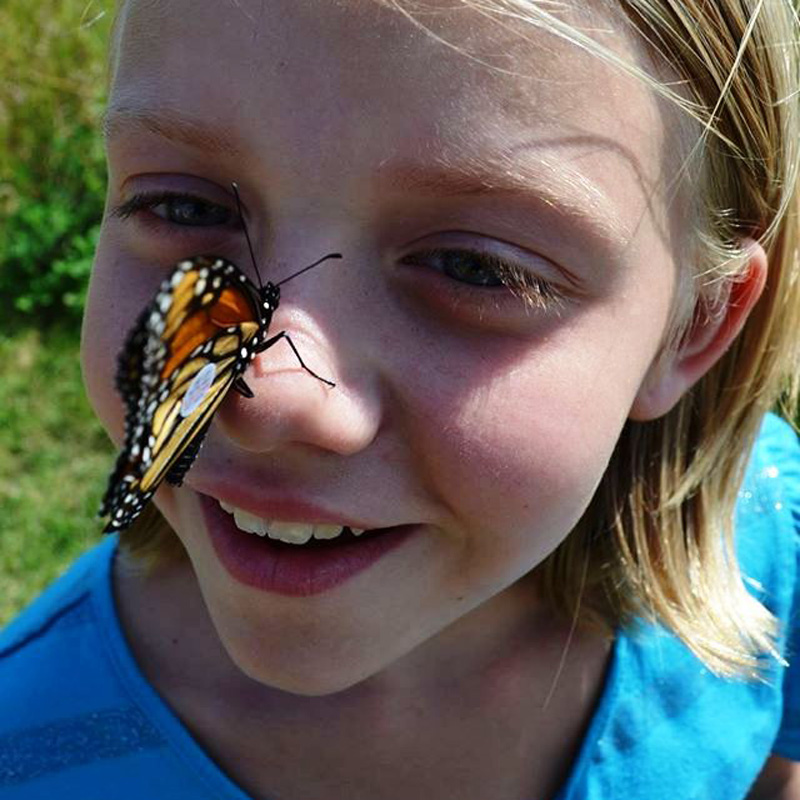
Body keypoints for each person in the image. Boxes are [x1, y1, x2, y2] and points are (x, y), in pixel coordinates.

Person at [1, 0, 799, 797]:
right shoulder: (27, 754)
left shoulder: (767, 538)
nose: (274, 400)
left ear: (693, 324)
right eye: (186, 208)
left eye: (476, 267)